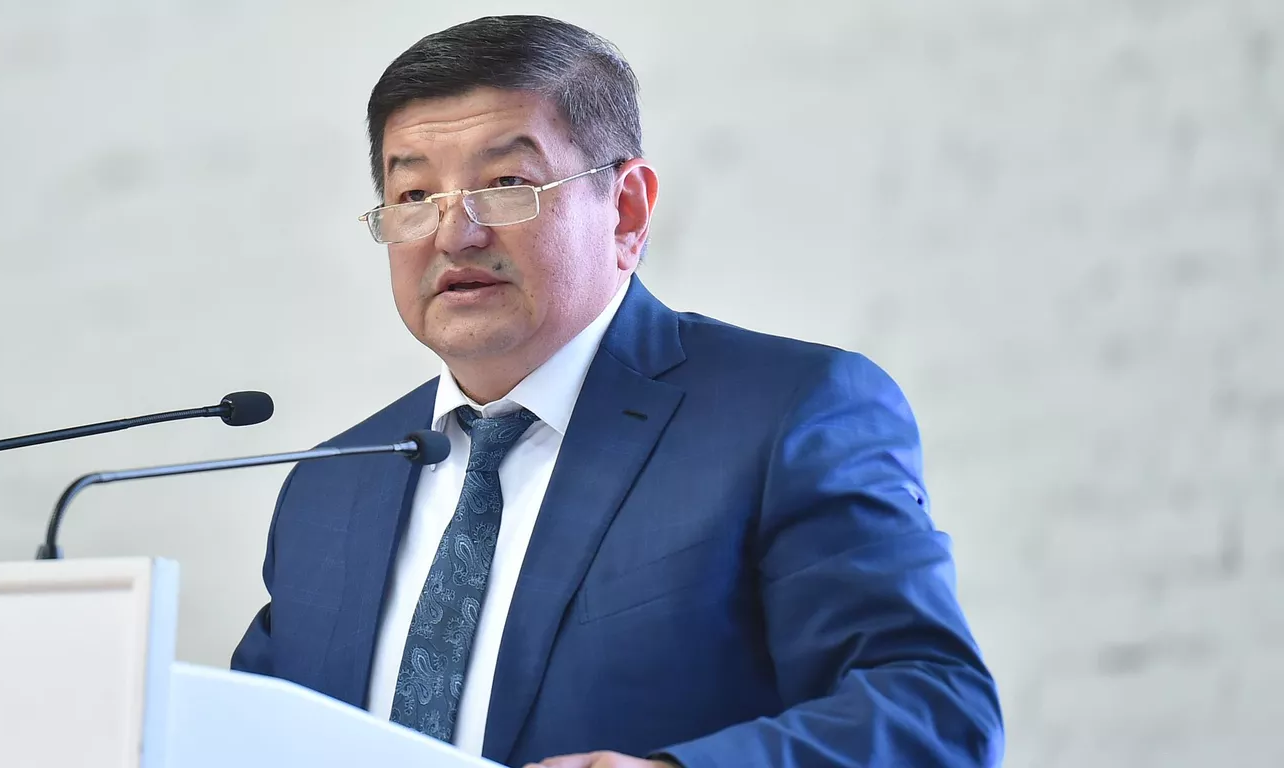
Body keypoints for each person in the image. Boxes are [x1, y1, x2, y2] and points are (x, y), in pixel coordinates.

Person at [230, 14, 1002, 768]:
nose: (453, 233)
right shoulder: (334, 485)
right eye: (413, 197)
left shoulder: (783, 417)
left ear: (626, 210)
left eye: (506, 184)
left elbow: (934, 712)